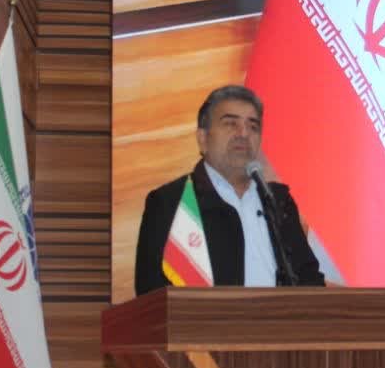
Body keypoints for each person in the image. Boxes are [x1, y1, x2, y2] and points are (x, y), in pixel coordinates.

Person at [134, 85, 324, 294]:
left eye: (253, 126)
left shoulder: (278, 201)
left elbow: (311, 283)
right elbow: (151, 297)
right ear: (203, 138)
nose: (243, 133)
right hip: (208, 316)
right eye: (230, 123)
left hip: (283, 316)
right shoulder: (170, 203)